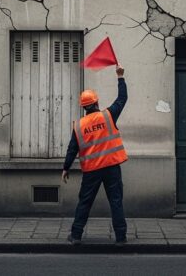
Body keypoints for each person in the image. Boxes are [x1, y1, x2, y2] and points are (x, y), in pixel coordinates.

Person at [62, 65, 128, 246]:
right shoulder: (108, 115)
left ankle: (76, 236)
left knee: (85, 202)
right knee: (116, 201)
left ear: (83, 107)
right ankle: (121, 238)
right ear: (97, 103)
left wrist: (66, 167)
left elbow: (72, 148)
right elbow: (123, 98)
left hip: (92, 170)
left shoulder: (79, 125)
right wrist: (120, 77)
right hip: (112, 166)